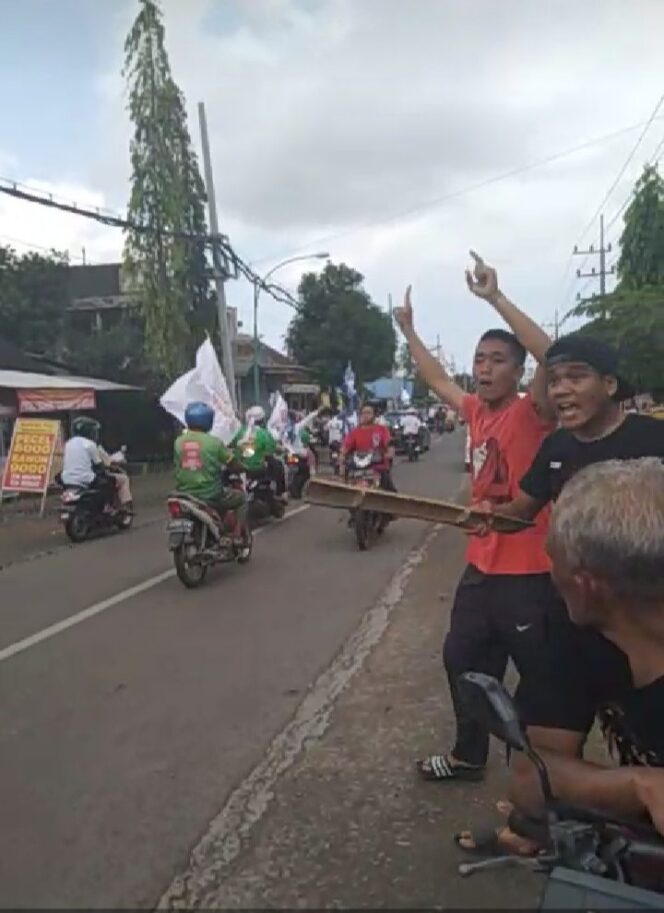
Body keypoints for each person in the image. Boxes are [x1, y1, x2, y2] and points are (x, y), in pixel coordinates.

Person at [393, 252, 557, 782]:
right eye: (479, 359)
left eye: (496, 359)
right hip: (482, 567)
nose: (483, 368)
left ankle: (544, 776)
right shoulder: (476, 411)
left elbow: (553, 360)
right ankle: (469, 756)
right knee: (461, 659)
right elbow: (438, 378)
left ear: (519, 371)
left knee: (542, 679)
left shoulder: (531, 411)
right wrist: (409, 332)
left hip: (530, 573)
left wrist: (494, 298)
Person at [508, 460, 664, 854]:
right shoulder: (571, 628)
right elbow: (531, 779)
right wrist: (640, 785)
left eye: (553, 559)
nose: (549, 573)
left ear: (585, 585)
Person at [485, 334, 664, 524]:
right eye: (553, 381)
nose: (560, 390)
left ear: (609, 385)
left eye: (576, 378)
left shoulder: (655, 438)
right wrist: (485, 515)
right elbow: (521, 511)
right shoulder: (555, 446)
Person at [174, 402, 249, 543]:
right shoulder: (214, 443)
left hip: (185, 494)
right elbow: (232, 462)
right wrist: (242, 467)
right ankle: (237, 534)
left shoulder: (178, 442)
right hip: (209, 494)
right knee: (241, 498)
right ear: (208, 420)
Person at [341, 403, 396, 492]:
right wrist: (342, 456)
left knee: (391, 492)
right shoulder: (355, 432)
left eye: (368, 413)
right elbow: (345, 447)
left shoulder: (382, 430)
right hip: (357, 468)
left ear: (374, 415)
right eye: (363, 413)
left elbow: (389, 444)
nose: (365, 415)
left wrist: (389, 453)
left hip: (378, 467)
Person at [61, 417, 116, 508]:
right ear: (88, 431)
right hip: (85, 478)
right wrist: (106, 469)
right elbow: (99, 465)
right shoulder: (90, 444)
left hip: (67, 478)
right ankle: (107, 507)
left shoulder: (68, 443)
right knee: (109, 482)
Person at [235, 405, 286, 500]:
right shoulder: (264, 434)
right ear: (262, 420)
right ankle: (280, 494)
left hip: (240, 468)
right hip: (257, 469)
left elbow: (234, 446)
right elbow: (270, 452)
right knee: (278, 465)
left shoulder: (240, 431)